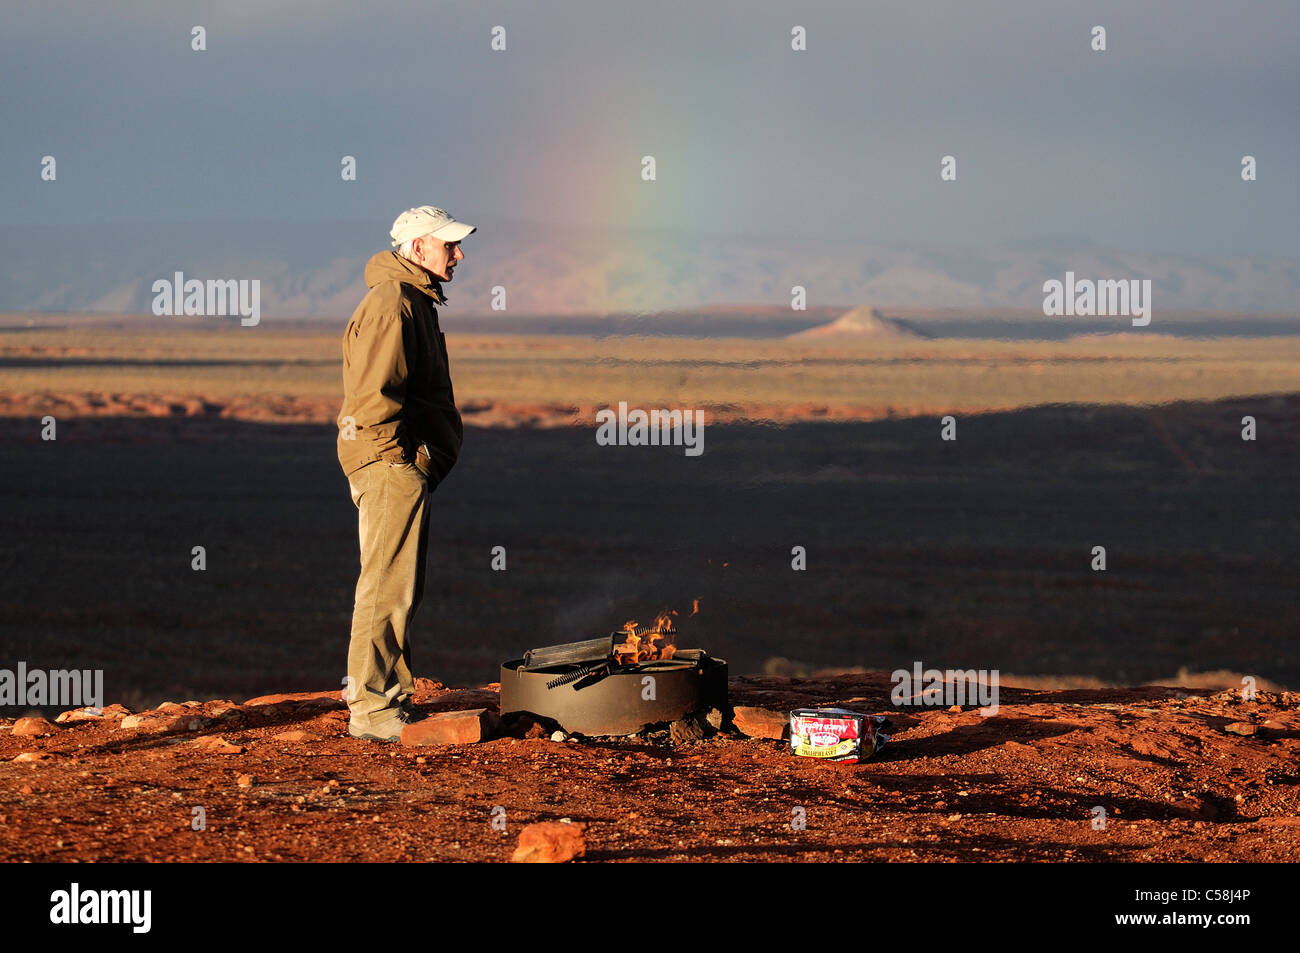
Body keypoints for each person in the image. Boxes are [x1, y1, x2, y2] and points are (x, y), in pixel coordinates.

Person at [335, 205, 475, 742]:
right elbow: (373, 399)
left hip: (396, 463)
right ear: (418, 248)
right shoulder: (393, 304)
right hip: (388, 463)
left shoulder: (413, 300)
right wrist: (400, 460)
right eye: (449, 245)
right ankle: (373, 710)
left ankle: (381, 697)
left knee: (398, 585)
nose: (459, 255)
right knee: (387, 585)